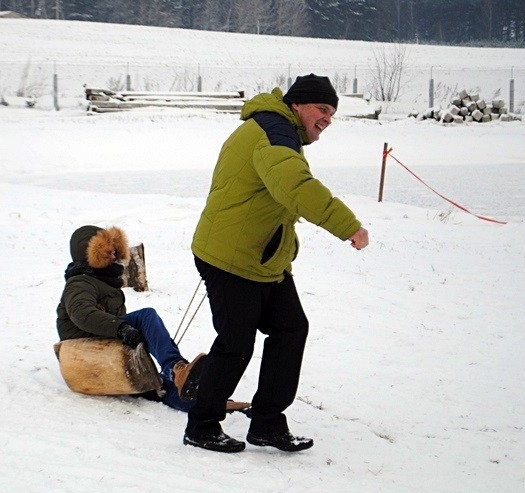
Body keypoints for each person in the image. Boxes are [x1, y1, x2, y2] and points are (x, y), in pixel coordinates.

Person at [184, 74, 370, 453]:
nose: (327, 119)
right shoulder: (273, 133)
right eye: (322, 109)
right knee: (236, 343)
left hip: (261, 257)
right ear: (297, 105)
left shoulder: (277, 130)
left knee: (290, 329)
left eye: (332, 113)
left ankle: (267, 423)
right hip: (230, 257)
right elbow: (297, 188)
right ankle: (201, 425)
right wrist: (347, 225)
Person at [57, 224, 249, 412]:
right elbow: (82, 314)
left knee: (158, 384)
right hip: (85, 348)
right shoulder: (80, 283)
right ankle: (176, 368)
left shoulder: (101, 281)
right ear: (89, 254)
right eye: (107, 249)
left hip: (102, 345)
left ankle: (206, 402)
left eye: (114, 247)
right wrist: (122, 328)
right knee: (146, 317)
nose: (114, 253)